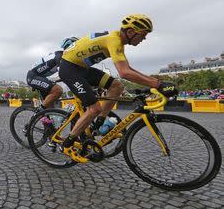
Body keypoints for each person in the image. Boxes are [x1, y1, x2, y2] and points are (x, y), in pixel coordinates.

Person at [59, 14, 178, 155]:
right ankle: (67, 143)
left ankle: (99, 122)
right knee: (94, 108)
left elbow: (128, 69)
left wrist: (157, 82)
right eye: (143, 35)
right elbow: (124, 73)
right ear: (130, 32)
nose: (144, 39)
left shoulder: (118, 41)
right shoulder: (114, 40)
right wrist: (158, 85)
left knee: (117, 87)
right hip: (69, 69)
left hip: (82, 68)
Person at [27, 36, 78, 110]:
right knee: (58, 90)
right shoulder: (60, 56)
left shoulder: (66, 58)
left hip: (41, 77)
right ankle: (39, 111)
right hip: (33, 77)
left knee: (50, 107)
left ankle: (47, 118)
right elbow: (62, 74)